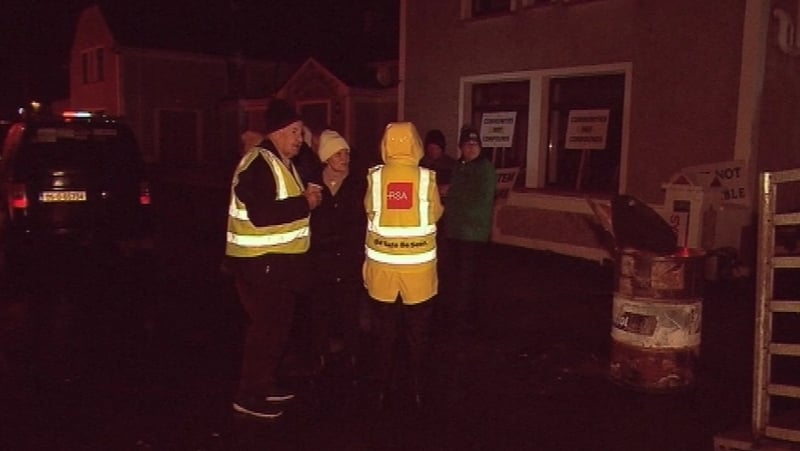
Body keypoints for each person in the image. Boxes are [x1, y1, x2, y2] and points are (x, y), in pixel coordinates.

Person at [224, 98, 322, 419]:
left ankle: (264, 384)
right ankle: (249, 395)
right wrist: (304, 203)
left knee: (276, 330)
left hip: (277, 266)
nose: (301, 139)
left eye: (302, 133)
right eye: (295, 132)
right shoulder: (258, 163)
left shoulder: (279, 161)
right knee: (265, 332)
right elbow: (263, 214)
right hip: (260, 265)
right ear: (279, 131)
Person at [362, 122, 444, 411]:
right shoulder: (426, 179)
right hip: (418, 273)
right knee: (418, 335)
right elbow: (436, 213)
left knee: (384, 335)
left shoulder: (375, 178)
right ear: (416, 144)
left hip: (382, 272)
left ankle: (380, 390)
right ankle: (419, 389)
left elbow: (370, 211)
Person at [308, 130, 368, 387]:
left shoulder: (358, 183)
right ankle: (321, 354)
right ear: (326, 156)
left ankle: (352, 354)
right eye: (338, 153)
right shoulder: (312, 185)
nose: (344, 157)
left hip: (349, 258)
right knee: (320, 309)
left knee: (349, 309)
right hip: (320, 260)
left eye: (346, 153)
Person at [442, 126, 496, 336]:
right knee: (457, 275)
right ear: (461, 147)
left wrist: (452, 193)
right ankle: (460, 313)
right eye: (467, 145)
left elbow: (480, 199)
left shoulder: (485, 168)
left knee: (468, 276)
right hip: (455, 231)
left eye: (475, 144)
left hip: (473, 232)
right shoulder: (459, 166)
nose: (471, 148)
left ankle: (464, 318)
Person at [420, 129, 457, 197]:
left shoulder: (451, 165)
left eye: (437, 148)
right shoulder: (421, 164)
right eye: (431, 148)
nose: (434, 151)